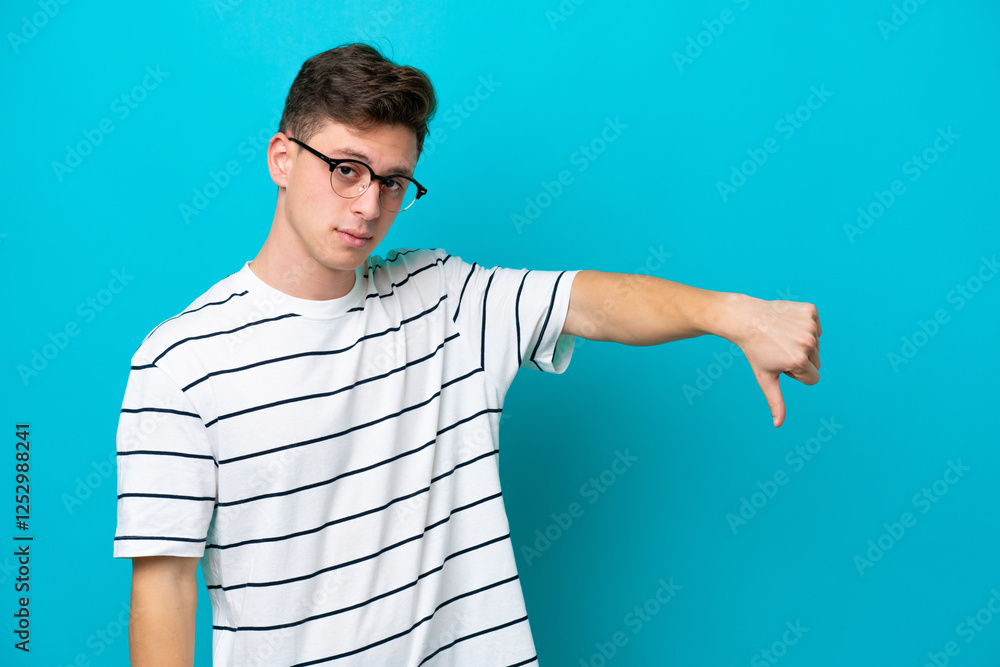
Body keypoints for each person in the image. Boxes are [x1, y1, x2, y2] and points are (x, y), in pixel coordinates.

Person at [114, 43, 821, 666]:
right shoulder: (180, 361)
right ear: (282, 158)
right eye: (347, 169)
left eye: (393, 181)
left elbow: (591, 300)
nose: (368, 203)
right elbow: (165, 586)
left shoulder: (442, 297)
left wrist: (734, 314)